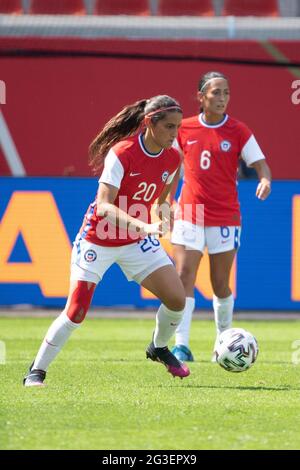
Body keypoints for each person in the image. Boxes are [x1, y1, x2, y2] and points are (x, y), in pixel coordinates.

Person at [23, 95, 191, 387]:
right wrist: (144, 225)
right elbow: (103, 206)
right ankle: (36, 371)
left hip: (136, 241)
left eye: (177, 127)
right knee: (76, 311)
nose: (175, 134)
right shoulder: (122, 152)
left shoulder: (173, 156)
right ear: (149, 123)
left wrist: (166, 216)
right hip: (98, 238)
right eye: (169, 127)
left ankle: (159, 347)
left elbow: (165, 199)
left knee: (177, 300)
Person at [170, 71, 272, 362]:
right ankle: (182, 345)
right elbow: (168, 169)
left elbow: (262, 165)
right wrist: (167, 202)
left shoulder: (238, 130)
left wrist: (264, 180)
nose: (222, 98)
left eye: (226, 93)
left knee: (219, 283)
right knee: (183, 276)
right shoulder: (184, 128)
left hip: (225, 214)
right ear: (201, 97)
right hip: (189, 210)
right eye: (216, 93)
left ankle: (223, 342)